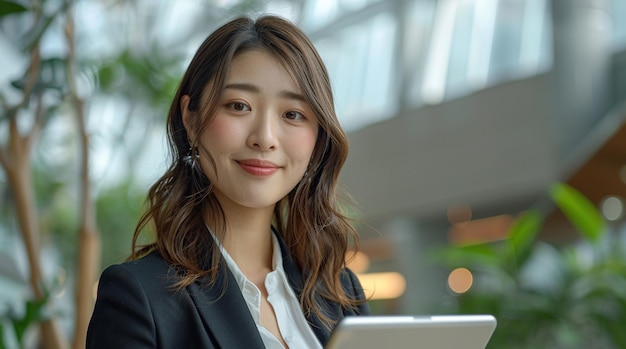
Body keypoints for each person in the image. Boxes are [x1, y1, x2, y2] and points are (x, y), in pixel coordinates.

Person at [86, 14, 370, 349]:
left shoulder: (339, 292)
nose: (265, 138)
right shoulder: (140, 298)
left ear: (318, 136)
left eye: (293, 114)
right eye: (239, 106)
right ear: (191, 119)